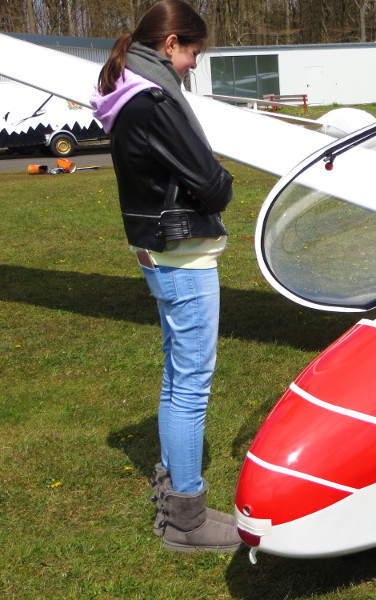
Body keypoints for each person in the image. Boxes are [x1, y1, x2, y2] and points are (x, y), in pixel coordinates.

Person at [90, 0, 240, 553]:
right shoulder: (153, 101)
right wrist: (217, 182)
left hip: (163, 252)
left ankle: (177, 487)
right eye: (193, 52)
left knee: (180, 377)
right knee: (191, 384)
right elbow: (212, 181)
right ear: (172, 43)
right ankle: (187, 518)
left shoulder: (132, 92)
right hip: (183, 256)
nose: (194, 65)